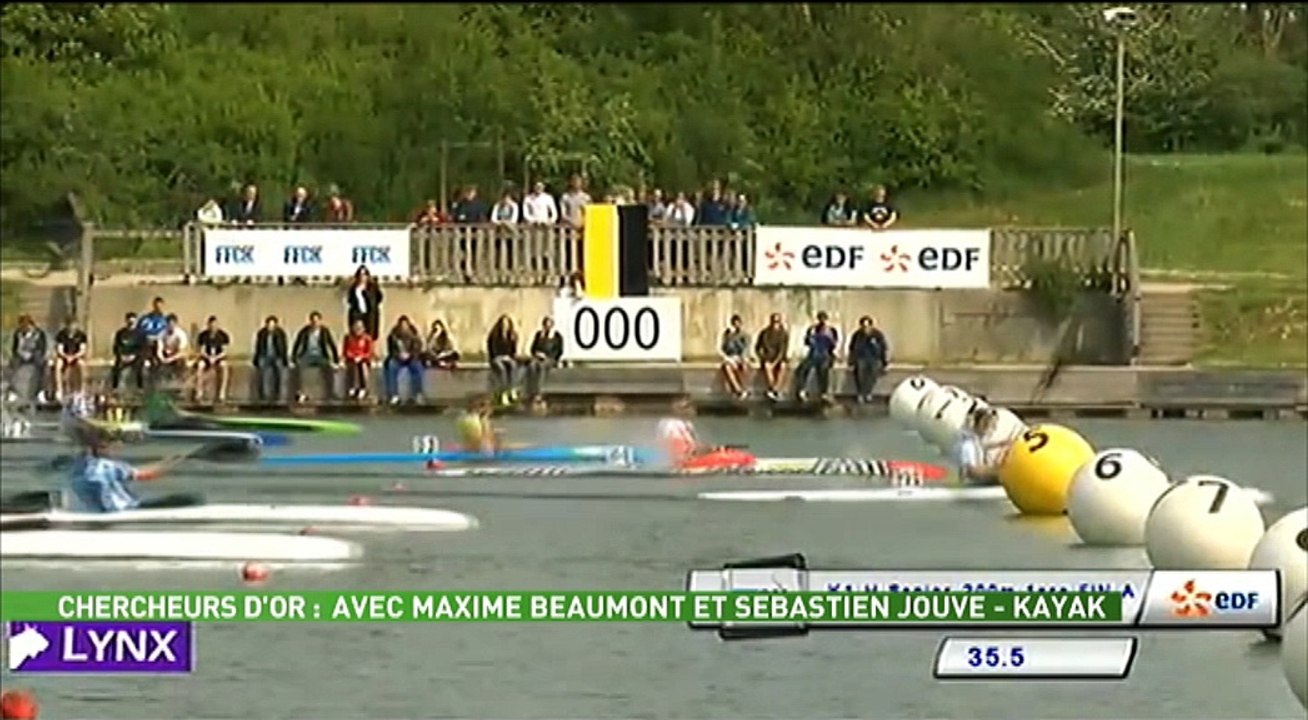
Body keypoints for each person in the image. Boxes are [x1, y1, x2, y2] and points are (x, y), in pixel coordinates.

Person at [63, 420, 196, 513]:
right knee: (188, 499)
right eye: (112, 445)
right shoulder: (109, 467)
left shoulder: (77, 466)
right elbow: (146, 475)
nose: (116, 448)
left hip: (101, 512)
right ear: (101, 447)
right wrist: (174, 462)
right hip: (126, 510)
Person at [953, 407, 1005, 486]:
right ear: (983, 424)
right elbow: (972, 472)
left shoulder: (976, 441)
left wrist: (1000, 444)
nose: (993, 430)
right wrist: (998, 472)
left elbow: (983, 445)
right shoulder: (968, 445)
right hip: (969, 490)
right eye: (992, 426)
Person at [794, 311, 839, 402]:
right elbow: (806, 342)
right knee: (802, 369)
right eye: (820, 319)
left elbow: (833, 345)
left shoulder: (831, 330)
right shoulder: (812, 329)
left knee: (823, 370)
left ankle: (824, 392)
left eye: (824, 319)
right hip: (813, 354)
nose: (822, 321)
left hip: (825, 355)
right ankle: (801, 390)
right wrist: (810, 338)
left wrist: (829, 338)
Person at [847, 316, 890, 404]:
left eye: (867, 326)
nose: (865, 328)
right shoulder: (857, 335)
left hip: (874, 358)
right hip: (861, 358)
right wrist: (851, 361)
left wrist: (884, 362)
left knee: (872, 376)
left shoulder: (877, 335)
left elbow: (883, 348)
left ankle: (868, 393)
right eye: (863, 326)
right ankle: (861, 393)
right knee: (860, 376)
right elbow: (852, 348)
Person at [383, 315, 424, 404]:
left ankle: (417, 394)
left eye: (405, 325)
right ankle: (394, 395)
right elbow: (391, 350)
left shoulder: (415, 336)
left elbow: (417, 349)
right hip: (397, 358)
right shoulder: (393, 336)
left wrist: (410, 355)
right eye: (402, 325)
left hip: (411, 358)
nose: (403, 327)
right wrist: (399, 355)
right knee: (391, 366)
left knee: (417, 368)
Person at [192, 315, 231, 403]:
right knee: (200, 366)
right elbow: (202, 350)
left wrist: (216, 358)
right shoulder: (203, 335)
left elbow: (224, 351)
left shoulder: (223, 335)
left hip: (219, 357)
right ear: (208, 325)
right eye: (211, 325)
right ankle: (199, 393)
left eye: (215, 325)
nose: (213, 327)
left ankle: (222, 394)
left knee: (224, 367)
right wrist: (209, 358)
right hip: (206, 357)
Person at [524, 316, 563, 402]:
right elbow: (533, 348)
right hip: (538, 358)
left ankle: (538, 392)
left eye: (549, 325)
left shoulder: (557, 336)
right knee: (532, 366)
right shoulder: (539, 334)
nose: (547, 327)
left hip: (550, 359)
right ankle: (530, 390)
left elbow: (559, 350)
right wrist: (536, 354)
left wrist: (549, 357)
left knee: (542, 367)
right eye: (545, 325)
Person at [485, 314, 520, 406]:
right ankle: (503, 392)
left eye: (507, 324)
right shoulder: (494, 335)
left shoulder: (512, 336)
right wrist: (498, 357)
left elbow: (513, 351)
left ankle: (512, 389)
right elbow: (492, 349)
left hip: (507, 357)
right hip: (496, 358)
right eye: (503, 324)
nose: (505, 326)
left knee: (513, 366)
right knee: (502, 369)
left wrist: (509, 357)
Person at [52, 317, 88, 401]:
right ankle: (59, 390)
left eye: (73, 325)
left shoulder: (81, 335)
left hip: (76, 356)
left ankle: (81, 389)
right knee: (58, 365)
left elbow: (83, 350)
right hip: (64, 356)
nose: (71, 327)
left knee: (82, 365)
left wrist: (74, 357)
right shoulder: (61, 334)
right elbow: (59, 349)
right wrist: (66, 356)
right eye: (69, 325)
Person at [345, 265, 383, 340]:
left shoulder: (372, 287)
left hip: (369, 315)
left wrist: (365, 293)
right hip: (357, 316)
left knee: (369, 337)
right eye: (360, 275)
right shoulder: (354, 288)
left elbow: (379, 298)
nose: (362, 277)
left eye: (364, 275)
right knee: (356, 336)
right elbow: (350, 301)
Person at [719, 314, 751, 399]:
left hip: (741, 357)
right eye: (734, 324)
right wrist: (729, 337)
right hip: (731, 357)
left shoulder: (744, 335)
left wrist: (741, 358)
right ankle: (738, 390)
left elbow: (746, 348)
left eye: (738, 323)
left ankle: (744, 388)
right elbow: (724, 348)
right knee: (727, 368)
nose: (736, 325)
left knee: (744, 367)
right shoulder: (728, 334)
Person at [342, 319, 375, 400]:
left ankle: (363, 388)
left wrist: (362, 356)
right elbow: (346, 351)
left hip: (364, 359)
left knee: (362, 365)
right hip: (352, 359)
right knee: (352, 365)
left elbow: (370, 352)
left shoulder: (367, 338)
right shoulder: (348, 337)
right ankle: (352, 387)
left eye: (360, 327)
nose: (358, 329)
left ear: (363, 328)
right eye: (356, 327)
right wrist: (353, 356)